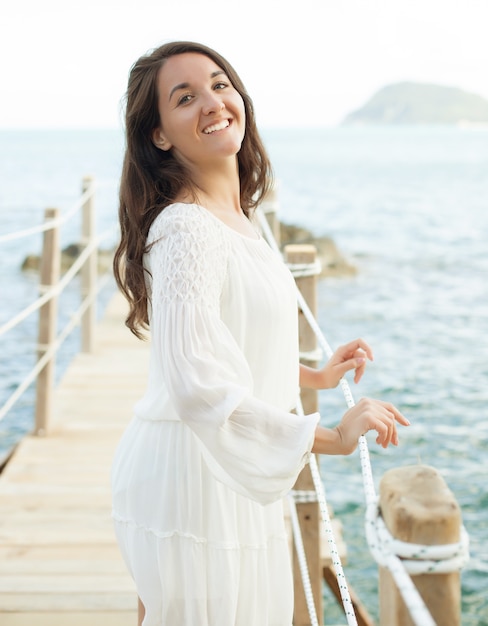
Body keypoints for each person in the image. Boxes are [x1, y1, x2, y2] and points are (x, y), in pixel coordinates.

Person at [111, 40, 409, 626]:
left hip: (223, 474)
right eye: (186, 96)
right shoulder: (186, 230)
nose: (213, 102)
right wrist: (331, 435)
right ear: (160, 135)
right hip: (196, 482)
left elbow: (228, 342)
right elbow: (197, 383)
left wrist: (313, 375)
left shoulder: (242, 215)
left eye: (220, 84)